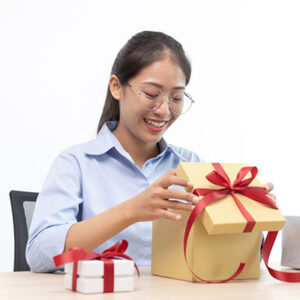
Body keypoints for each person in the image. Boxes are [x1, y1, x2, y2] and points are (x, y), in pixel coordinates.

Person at [26, 31, 275, 273]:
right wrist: (131, 211)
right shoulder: (76, 163)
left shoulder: (191, 165)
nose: (164, 110)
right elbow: (39, 254)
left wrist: (249, 218)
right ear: (116, 87)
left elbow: (219, 257)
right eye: (151, 94)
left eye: (176, 98)